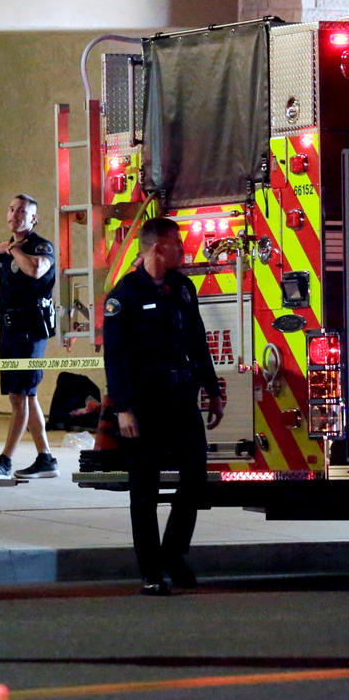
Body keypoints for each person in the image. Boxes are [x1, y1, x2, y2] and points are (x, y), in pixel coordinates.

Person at [103, 216, 224, 596]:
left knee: (195, 477)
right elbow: (116, 357)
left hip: (181, 400)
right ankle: (151, 571)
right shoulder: (124, 297)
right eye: (177, 243)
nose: (183, 248)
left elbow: (197, 341)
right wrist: (123, 408)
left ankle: (173, 552)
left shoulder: (182, 288)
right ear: (156, 248)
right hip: (143, 407)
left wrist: (212, 389)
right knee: (145, 489)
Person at [0, 194, 59, 480]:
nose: (15, 213)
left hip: (29, 331)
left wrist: (11, 249)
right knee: (22, 395)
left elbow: (35, 270)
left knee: (21, 395)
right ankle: (46, 458)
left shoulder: (40, 246)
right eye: (11, 208)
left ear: (34, 218)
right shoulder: (4, 248)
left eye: (23, 210)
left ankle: (5, 461)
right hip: (8, 330)